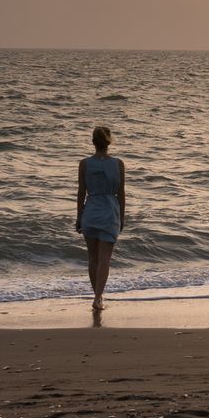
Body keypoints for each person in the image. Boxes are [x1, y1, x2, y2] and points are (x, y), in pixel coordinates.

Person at [76, 125, 125, 310]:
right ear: (109, 142)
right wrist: (122, 217)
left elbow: (81, 193)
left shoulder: (85, 163)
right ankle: (98, 297)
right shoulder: (118, 164)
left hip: (91, 211)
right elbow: (121, 194)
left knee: (92, 258)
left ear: (93, 142)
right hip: (110, 212)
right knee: (105, 258)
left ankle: (96, 296)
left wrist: (79, 216)